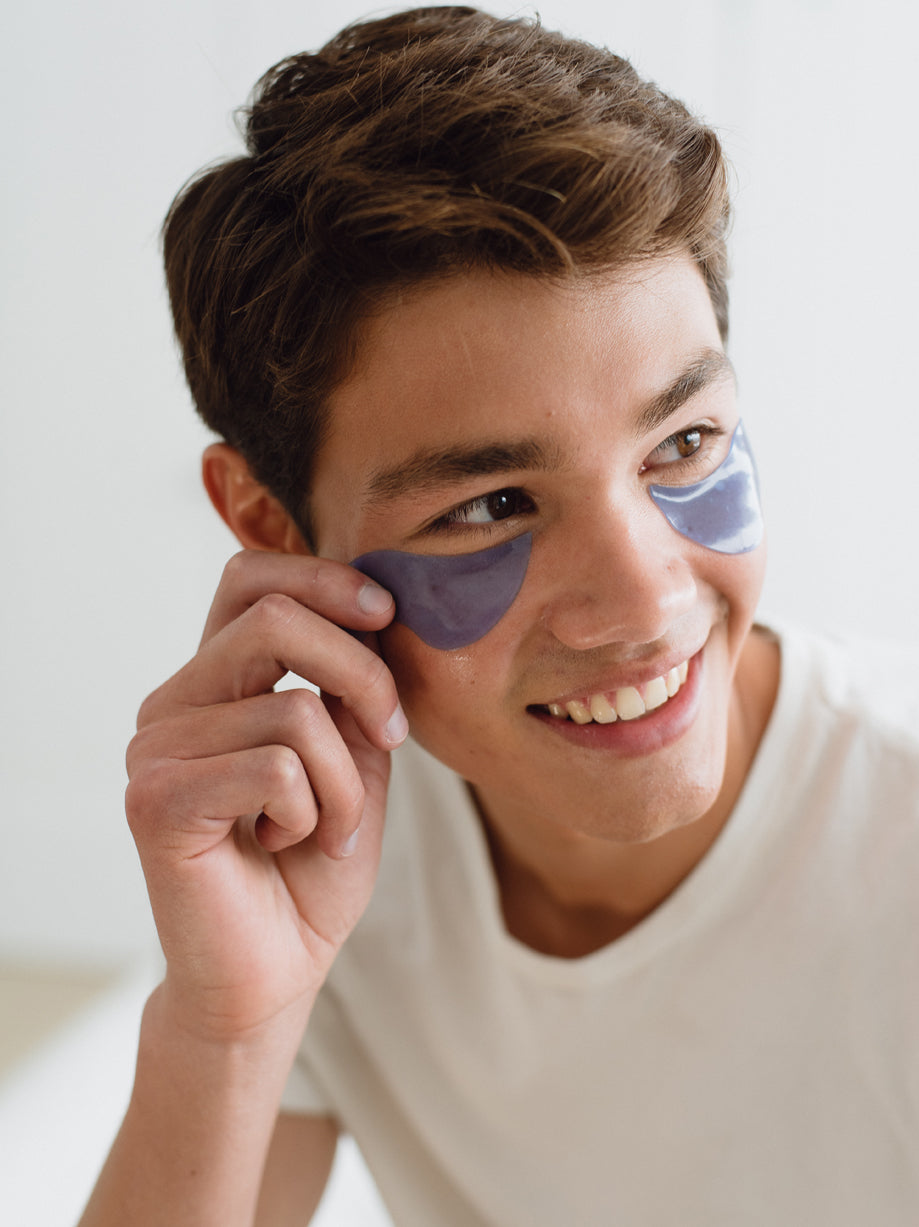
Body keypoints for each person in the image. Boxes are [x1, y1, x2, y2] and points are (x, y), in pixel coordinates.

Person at [80, 7, 919, 1225]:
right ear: (267, 524)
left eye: (683, 443)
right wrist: (224, 1030)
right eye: (491, 506)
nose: (645, 600)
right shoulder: (323, 856)